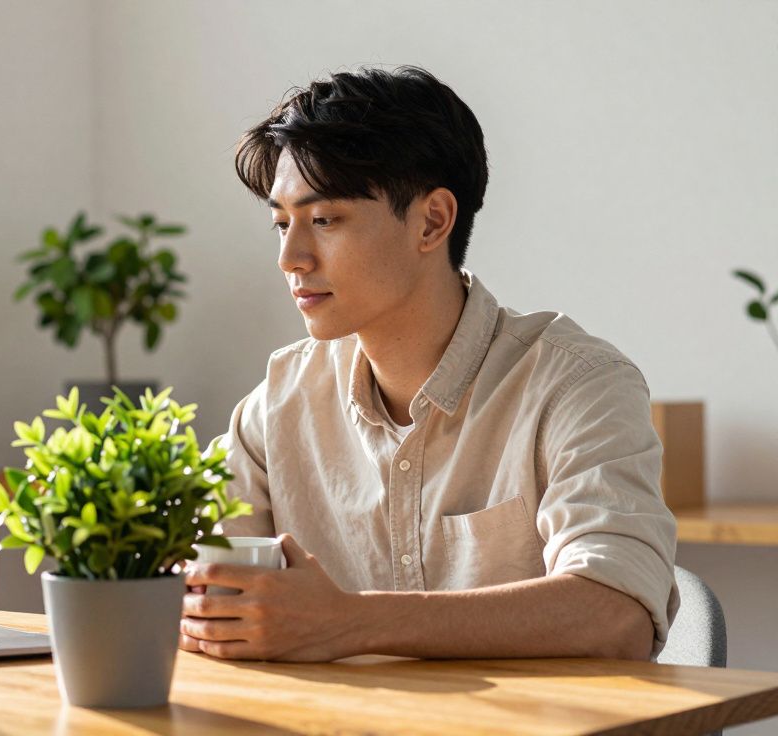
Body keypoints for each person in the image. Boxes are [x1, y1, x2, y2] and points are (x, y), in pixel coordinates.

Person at [181, 66, 678, 662]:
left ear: (432, 222)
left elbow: (615, 613)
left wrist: (351, 623)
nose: (290, 257)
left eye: (324, 220)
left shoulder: (577, 386)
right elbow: (197, 592)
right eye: (282, 224)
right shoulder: (279, 402)